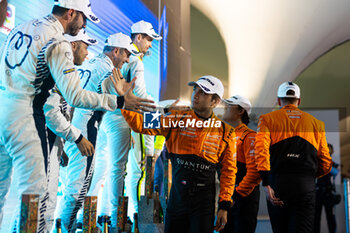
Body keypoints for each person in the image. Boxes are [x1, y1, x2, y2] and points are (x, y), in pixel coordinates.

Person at [0, 0, 153, 229]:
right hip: (28, 119)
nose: (83, 26)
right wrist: (120, 100)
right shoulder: (58, 41)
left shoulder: (22, 27)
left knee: (4, 191)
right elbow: (75, 96)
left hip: (5, 109)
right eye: (83, 19)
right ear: (71, 12)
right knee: (35, 196)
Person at [121, 75, 237, 233]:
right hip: (177, 200)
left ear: (215, 101)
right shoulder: (175, 118)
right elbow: (140, 124)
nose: (195, 94)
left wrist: (224, 206)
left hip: (204, 205)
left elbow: (228, 172)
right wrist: (124, 102)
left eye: (203, 92)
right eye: (195, 89)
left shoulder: (226, 132)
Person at [56, 32, 139, 232]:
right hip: (84, 131)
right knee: (78, 187)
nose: (127, 60)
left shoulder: (90, 64)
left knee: (77, 184)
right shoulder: (108, 70)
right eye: (126, 54)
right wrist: (126, 97)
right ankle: (65, 227)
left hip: (75, 126)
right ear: (116, 51)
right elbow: (118, 102)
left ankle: (70, 225)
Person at [98, 20, 162, 227]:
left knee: (112, 168)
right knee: (137, 170)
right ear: (138, 37)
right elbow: (141, 97)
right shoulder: (135, 61)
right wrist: (162, 114)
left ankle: (106, 213)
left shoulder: (126, 59)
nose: (151, 45)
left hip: (106, 115)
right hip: (127, 119)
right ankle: (134, 215)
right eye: (149, 40)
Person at [255, 81, 333, 233]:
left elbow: (261, 151)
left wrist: (266, 181)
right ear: (299, 100)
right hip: (305, 185)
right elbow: (325, 160)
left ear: (278, 100)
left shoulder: (267, 119)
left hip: (277, 184)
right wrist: (310, 177)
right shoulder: (317, 124)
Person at [43, 29, 97, 231]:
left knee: (45, 202)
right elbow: (50, 111)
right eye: (85, 47)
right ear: (73, 46)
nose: (87, 53)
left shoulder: (68, 72)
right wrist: (77, 137)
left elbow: (60, 109)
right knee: (41, 202)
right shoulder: (60, 70)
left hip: (54, 142)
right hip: (44, 141)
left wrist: (61, 146)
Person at [220, 95, 261, 233]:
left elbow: (254, 173)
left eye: (230, 104)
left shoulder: (250, 136)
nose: (225, 107)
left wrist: (236, 194)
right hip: (227, 198)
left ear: (240, 111)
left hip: (244, 199)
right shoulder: (224, 135)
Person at [314, 143, 340, 233]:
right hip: (318, 192)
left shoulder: (332, 163)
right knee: (316, 217)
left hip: (329, 193)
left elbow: (336, 172)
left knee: (331, 217)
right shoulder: (316, 163)